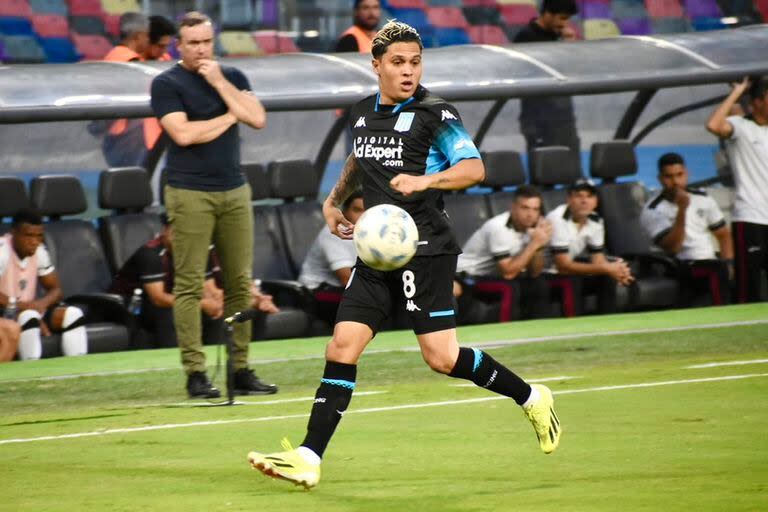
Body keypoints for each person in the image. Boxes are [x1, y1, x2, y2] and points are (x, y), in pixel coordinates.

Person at [247, 20, 561, 490]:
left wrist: (425, 181)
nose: (408, 71)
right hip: (376, 252)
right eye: (397, 62)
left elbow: (474, 168)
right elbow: (359, 160)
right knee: (342, 347)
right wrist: (333, 202)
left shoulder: (437, 113)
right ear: (376, 66)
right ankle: (310, 457)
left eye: (415, 62)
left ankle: (531, 396)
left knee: (441, 357)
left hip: (426, 251)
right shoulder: (360, 114)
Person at [150, 11, 267, 398]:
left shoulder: (232, 77)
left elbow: (258, 119)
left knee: (239, 282)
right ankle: (195, 372)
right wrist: (232, 114)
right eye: (192, 43)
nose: (200, 50)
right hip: (188, 191)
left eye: (206, 42)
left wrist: (219, 83)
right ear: (178, 46)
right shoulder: (166, 83)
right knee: (189, 283)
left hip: (234, 189)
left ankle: (240, 369)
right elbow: (182, 134)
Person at [109, 217, 278, 396]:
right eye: (177, 233)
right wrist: (204, 303)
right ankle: (178, 371)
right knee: (174, 312)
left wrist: (247, 300)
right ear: (165, 231)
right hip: (133, 308)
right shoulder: (150, 254)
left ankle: (228, 370)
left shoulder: (195, 251)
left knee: (220, 312)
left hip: (174, 301)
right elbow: (158, 298)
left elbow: (210, 290)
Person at [641, 153, 733, 305]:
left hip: (710, 260)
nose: (675, 182)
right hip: (680, 264)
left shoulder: (703, 198)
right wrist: (682, 210)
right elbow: (673, 248)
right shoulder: (653, 210)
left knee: (730, 267)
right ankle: (723, 314)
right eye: (669, 177)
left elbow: (723, 235)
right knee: (717, 270)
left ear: (687, 174)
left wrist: (729, 262)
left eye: (679, 175)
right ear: (660, 179)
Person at [706, 76, 768, 303]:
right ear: (758, 101)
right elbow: (713, 125)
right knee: (748, 288)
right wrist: (737, 92)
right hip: (751, 219)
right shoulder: (741, 127)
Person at [0, 209, 88, 361]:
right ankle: (31, 370)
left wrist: (41, 304)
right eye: (28, 236)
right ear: (14, 233)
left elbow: (56, 290)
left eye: (39, 236)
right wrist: (24, 307)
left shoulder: (39, 251)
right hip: (5, 314)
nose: (34, 242)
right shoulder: (2, 250)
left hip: (29, 309)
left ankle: (78, 370)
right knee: (30, 317)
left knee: (73, 314)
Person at [457, 185, 553, 320]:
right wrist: (534, 244)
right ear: (513, 207)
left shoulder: (533, 228)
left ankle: (538, 329)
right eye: (525, 208)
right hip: (468, 277)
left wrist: (539, 247)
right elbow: (508, 273)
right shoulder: (498, 227)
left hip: (492, 276)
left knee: (538, 284)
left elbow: (534, 272)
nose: (530, 214)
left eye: (535, 209)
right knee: (509, 288)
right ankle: (507, 331)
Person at [546, 178, 634, 315]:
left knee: (608, 276)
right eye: (579, 196)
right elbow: (562, 265)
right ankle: (575, 328)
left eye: (589, 196)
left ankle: (608, 323)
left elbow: (598, 260)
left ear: (596, 201)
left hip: (568, 272)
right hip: (547, 275)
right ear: (569, 199)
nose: (584, 201)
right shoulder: (557, 218)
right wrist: (607, 268)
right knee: (574, 281)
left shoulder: (596, 220)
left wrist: (617, 271)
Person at [513, 0, 580, 162]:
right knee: (543, 163)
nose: (565, 24)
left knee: (570, 162)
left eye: (568, 19)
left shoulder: (561, 37)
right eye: (562, 18)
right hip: (537, 116)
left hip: (563, 113)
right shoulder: (525, 38)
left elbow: (572, 71)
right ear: (548, 14)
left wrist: (570, 47)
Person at [97, 13, 154, 168]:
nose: (148, 41)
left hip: (115, 135)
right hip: (129, 137)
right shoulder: (131, 63)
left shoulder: (112, 56)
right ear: (138, 36)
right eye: (147, 36)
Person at [299, 191, 362, 325]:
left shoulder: (373, 232)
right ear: (344, 211)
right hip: (318, 292)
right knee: (369, 299)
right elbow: (347, 279)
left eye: (366, 211)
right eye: (357, 210)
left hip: (345, 289)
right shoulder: (335, 232)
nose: (362, 216)